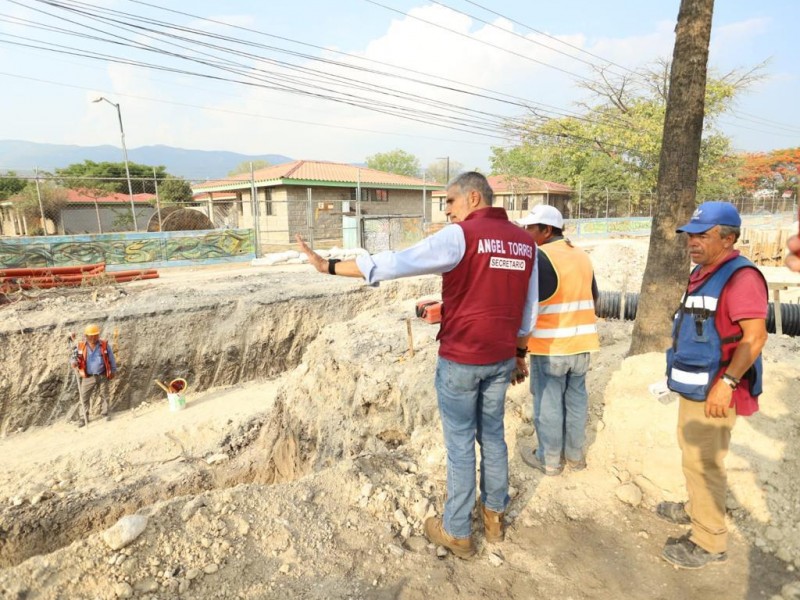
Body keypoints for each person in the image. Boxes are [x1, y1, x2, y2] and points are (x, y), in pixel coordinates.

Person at [296, 172, 538, 558]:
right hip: (500, 357)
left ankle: (457, 531)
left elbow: (397, 262)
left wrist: (329, 267)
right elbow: (529, 310)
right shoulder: (526, 243)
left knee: (460, 444)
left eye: (450, 203)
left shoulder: (461, 236)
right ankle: (494, 518)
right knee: (492, 436)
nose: (448, 212)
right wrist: (519, 354)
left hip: (461, 357)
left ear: (473, 198)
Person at [660, 201, 768, 569]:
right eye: (691, 235)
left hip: (717, 389)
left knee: (705, 463)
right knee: (693, 455)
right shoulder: (706, 271)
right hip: (697, 386)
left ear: (729, 238)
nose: (692, 241)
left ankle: (708, 541)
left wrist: (728, 382)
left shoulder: (741, 277)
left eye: (702, 235)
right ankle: (695, 509)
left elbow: (755, 337)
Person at [515, 205, 600, 476]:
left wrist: (518, 348)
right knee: (576, 402)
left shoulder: (540, 257)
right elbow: (594, 296)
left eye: (530, 228)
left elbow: (529, 307)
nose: (526, 234)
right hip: (582, 345)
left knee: (548, 404)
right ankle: (575, 458)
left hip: (551, 348)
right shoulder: (581, 256)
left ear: (547, 230)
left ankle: (549, 460)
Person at [71, 323, 118, 426]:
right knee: (84, 397)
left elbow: (111, 359)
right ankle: (83, 418)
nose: (93, 337)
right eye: (91, 336)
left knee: (104, 394)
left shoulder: (104, 345)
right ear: (86, 336)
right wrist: (73, 363)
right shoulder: (81, 346)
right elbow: (74, 358)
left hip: (102, 375)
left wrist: (113, 370)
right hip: (88, 377)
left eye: (95, 335)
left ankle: (106, 413)